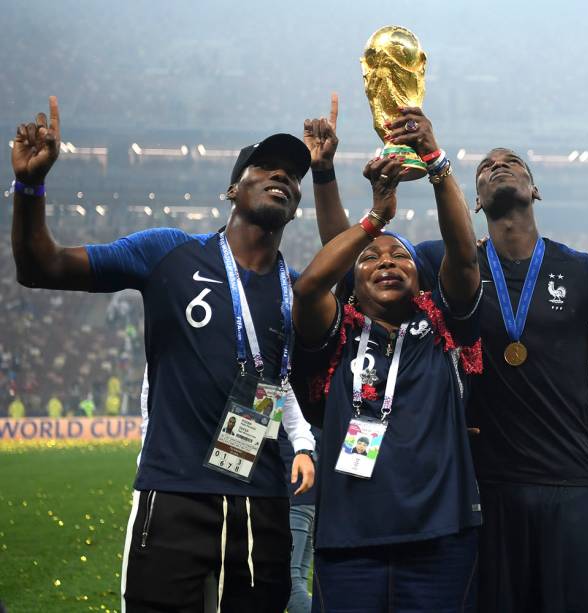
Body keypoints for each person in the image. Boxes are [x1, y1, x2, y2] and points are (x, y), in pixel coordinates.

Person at [304, 96, 588, 613]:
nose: (497, 167)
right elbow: (353, 261)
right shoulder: (442, 263)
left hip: (572, 479)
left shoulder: (586, 272)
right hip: (485, 490)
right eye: (485, 168)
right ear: (472, 204)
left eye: (511, 163)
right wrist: (329, 178)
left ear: (535, 189)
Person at [11, 96, 317, 612]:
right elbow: (42, 267)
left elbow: (283, 385)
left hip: (263, 504)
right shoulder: (169, 252)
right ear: (232, 188)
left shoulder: (295, 291)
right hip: (173, 497)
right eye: (265, 166)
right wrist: (30, 187)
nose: (281, 177)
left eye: (292, 174)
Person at [289, 107, 483, 612]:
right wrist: (373, 219)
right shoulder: (338, 333)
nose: (387, 262)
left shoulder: (442, 326)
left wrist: (436, 162)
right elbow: (311, 285)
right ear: (353, 281)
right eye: (371, 259)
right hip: (350, 542)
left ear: (421, 279)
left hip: (441, 538)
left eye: (400, 257)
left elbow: (464, 259)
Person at [280, 426, 322, 613]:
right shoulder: (311, 420)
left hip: (294, 499)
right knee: (300, 579)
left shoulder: (288, 412)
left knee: (290, 583)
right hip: (311, 502)